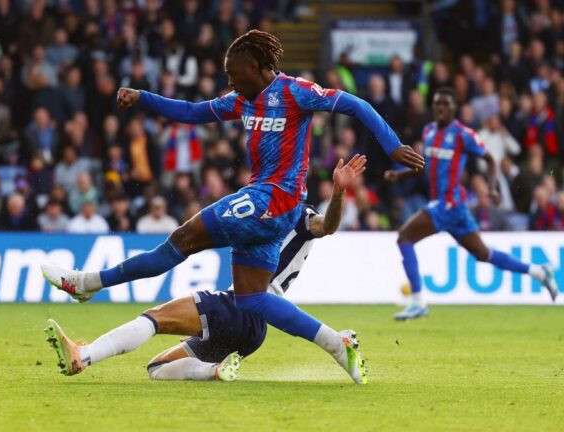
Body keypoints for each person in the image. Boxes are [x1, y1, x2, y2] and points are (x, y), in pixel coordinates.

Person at [42, 30, 422, 378]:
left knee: (179, 242)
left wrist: (391, 145)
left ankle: (87, 283)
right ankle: (337, 346)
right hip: (274, 211)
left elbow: (355, 104)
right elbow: (192, 113)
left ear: (256, 66)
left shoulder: (296, 92)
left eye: (234, 72)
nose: (229, 80)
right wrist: (144, 98)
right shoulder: (243, 100)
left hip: (271, 199)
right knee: (253, 298)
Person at [45, 155, 368, 382]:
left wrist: (338, 192)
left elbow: (327, 226)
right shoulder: (260, 210)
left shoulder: (300, 215)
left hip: (243, 305)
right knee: (157, 367)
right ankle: (214, 371)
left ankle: (83, 357)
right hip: (254, 332)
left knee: (155, 318)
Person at [384, 88, 558, 321]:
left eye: (445, 105)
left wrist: (493, 187)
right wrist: (401, 175)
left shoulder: (463, 134)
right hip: (452, 208)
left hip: (450, 203)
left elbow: (489, 159)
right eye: (436, 104)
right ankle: (538, 271)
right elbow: (424, 166)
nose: (440, 109)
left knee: (404, 237)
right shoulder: (429, 131)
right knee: (483, 254)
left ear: (454, 109)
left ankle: (418, 302)